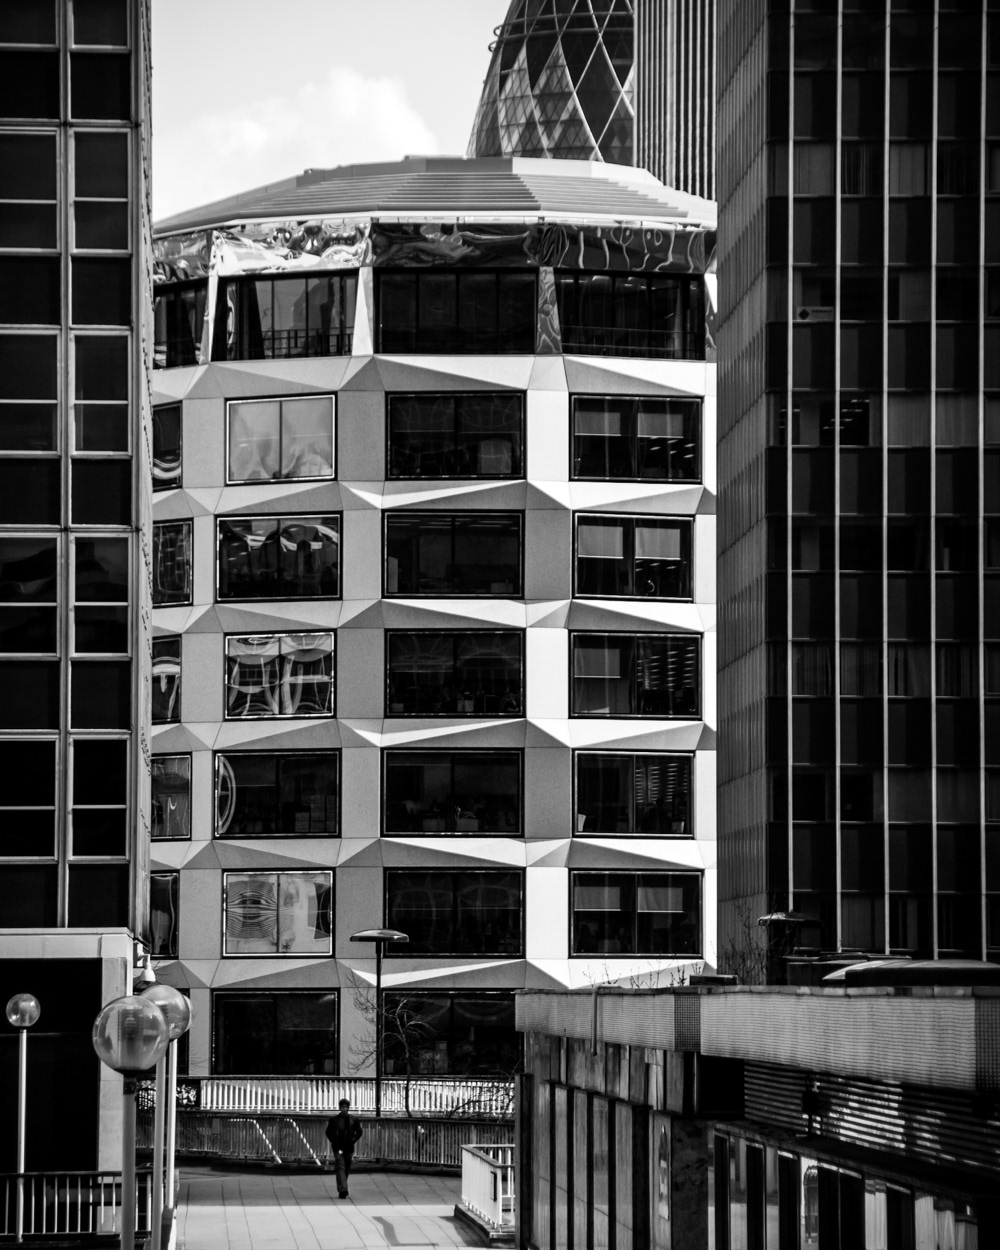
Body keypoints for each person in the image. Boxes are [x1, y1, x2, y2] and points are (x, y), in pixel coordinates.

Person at [325, 1098, 363, 1198]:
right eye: (342, 1107)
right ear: (340, 1108)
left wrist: (353, 1140)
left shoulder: (354, 1120)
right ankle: (343, 1189)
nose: (344, 1109)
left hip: (348, 1146)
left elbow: (359, 1132)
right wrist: (334, 1141)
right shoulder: (333, 1120)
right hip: (338, 1147)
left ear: (348, 1108)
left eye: (346, 1107)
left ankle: (342, 1186)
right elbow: (328, 1132)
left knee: (346, 1168)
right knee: (340, 1166)